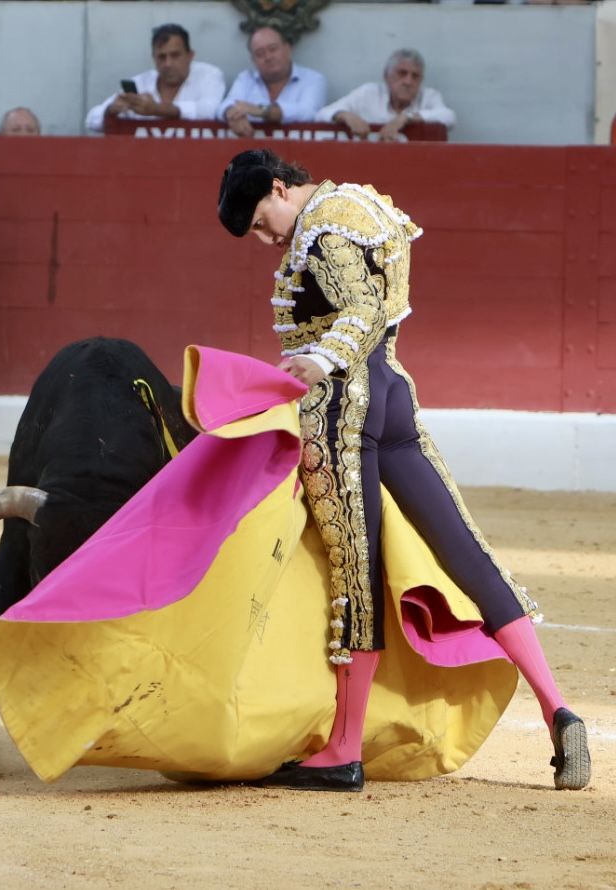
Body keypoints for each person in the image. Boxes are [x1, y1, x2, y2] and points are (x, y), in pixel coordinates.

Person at [216, 148, 591, 792]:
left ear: (279, 188)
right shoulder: (361, 202)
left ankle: (343, 749)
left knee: (356, 572)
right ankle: (559, 707)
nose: (263, 237)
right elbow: (380, 313)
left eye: (258, 220)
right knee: (467, 554)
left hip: (343, 410)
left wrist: (321, 362)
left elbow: (356, 311)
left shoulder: (322, 230)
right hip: (395, 393)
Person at [85, 23, 226, 134]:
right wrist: (111, 110)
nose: (168, 64)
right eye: (161, 57)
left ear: (190, 55)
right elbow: (91, 120)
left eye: (175, 55)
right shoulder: (141, 82)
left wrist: (157, 109)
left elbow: (211, 110)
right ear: (154, 58)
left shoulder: (208, 75)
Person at [315, 48, 456, 142]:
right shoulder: (368, 93)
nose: (408, 81)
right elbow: (321, 114)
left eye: (415, 76)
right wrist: (346, 115)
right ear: (386, 76)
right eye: (402, 73)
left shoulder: (428, 96)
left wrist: (407, 117)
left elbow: (449, 117)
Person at [218, 26, 327, 138]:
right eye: (260, 54)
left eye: (273, 49)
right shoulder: (246, 79)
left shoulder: (312, 79)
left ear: (288, 48)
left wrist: (263, 110)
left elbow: (309, 112)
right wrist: (232, 115)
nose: (268, 57)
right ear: (253, 60)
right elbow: (226, 105)